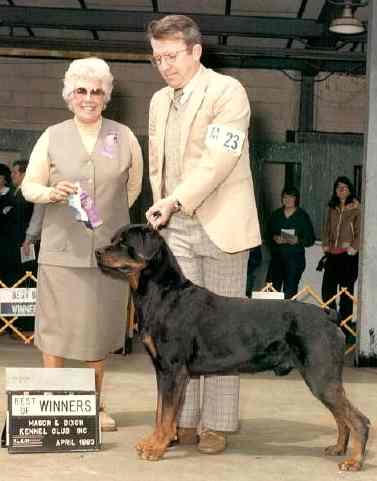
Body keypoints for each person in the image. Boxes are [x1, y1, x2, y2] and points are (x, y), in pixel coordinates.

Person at [145, 15, 261, 454]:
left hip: (223, 225)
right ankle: (181, 422)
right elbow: (158, 161)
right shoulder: (158, 101)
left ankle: (215, 425)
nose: (165, 66)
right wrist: (162, 206)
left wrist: (174, 200)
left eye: (172, 56)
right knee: (177, 332)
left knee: (222, 329)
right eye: (157, 58)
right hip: (175, 227)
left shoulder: (227, 92)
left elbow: (218, 161)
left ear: (196, 51)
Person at [21, 57, 143, 431]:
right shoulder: (52, 135)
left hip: (110, 255)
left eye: (96, 91)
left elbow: (133, 189)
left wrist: (108, 217)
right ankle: (56, 406)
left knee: (99, 331)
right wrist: (51, 193)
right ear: (69, 95)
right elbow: (29, 187)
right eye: (80, 91)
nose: (88, 98)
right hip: (61, 251)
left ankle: (94, 405)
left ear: (105, 96)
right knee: (56, 331)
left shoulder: (124, 136)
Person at [321, 176, 360, 340]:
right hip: (332, 255)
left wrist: (353, 247)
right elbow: (325, 227)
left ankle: (345, 331)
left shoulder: (357, 208)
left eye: (344, 187)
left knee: (345, 293)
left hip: (348, 257)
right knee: (327, 292)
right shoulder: (332, 208)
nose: (341, 190)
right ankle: (330, 327)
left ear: (350, 190)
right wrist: (325, 244)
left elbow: (361, 231)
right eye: (338, 187)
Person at [266, 186, 315, 299]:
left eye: (291, 197)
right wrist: (274, 238)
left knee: (290, 292)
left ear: (296, 199)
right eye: (285, 197)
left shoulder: (302, 216)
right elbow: (267, 234)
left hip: (294, 260)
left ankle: (289, 316)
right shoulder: (276, 215)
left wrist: (298, 240)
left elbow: (310, 239)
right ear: (282, 199)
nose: (287, 200)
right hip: (276, 260)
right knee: (271, 291)